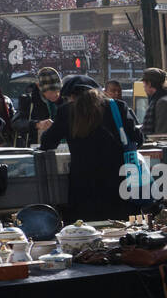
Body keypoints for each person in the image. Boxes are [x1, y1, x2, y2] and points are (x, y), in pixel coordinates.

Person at [39, 75, 143, 221]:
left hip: (83, 185)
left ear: (71, 96)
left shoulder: (66, 112)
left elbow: (47, 143)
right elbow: (138, 138)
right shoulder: (117, 107)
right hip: (117, 183)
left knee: (87, 230)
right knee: (119, 228)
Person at [15, 67, 63, 144]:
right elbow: (16, 123)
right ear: (39, 87)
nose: (55, 95)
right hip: (37, 146)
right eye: (50, 92)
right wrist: (37, 124)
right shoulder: (28, 100)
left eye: (57, 91)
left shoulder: (65, 100)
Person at [140, 68, 167, 136]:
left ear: (149, 83)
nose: (144, 88)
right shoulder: (163, 98)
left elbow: (161, 133)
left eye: (144, 85)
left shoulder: (162, 102)